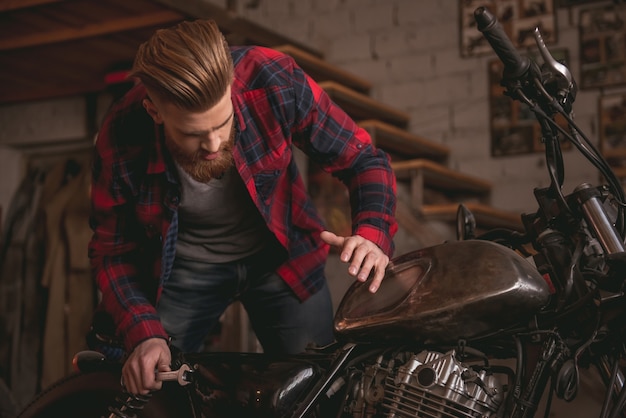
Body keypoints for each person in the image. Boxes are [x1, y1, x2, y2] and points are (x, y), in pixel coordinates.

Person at [88, 18, 398, 396]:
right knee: (151, 389)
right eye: (192, 134)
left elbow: (362, 159)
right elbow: (112, 251)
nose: (214, 144)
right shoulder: (122, 131)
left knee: (318, 391)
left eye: (222, 122)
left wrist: (370, 234)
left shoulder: (274, 79)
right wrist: (143, 334)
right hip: (184, 271)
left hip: (283, 258)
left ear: (232, 86)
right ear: (155, 111)